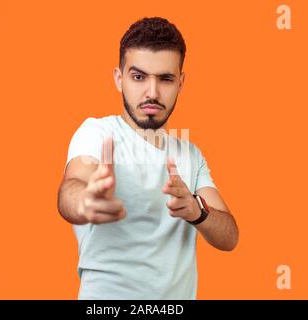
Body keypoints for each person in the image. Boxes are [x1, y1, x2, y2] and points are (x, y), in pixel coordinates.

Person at [58, 17, 239, 300]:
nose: (152, 93)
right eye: (139, 77)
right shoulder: (97, 133)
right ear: (119, 79)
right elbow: (73, 186)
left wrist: (197, 212)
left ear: (181, 82)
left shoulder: (190, 155)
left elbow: (229, 237)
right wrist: (87, 200)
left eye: (165, 79)